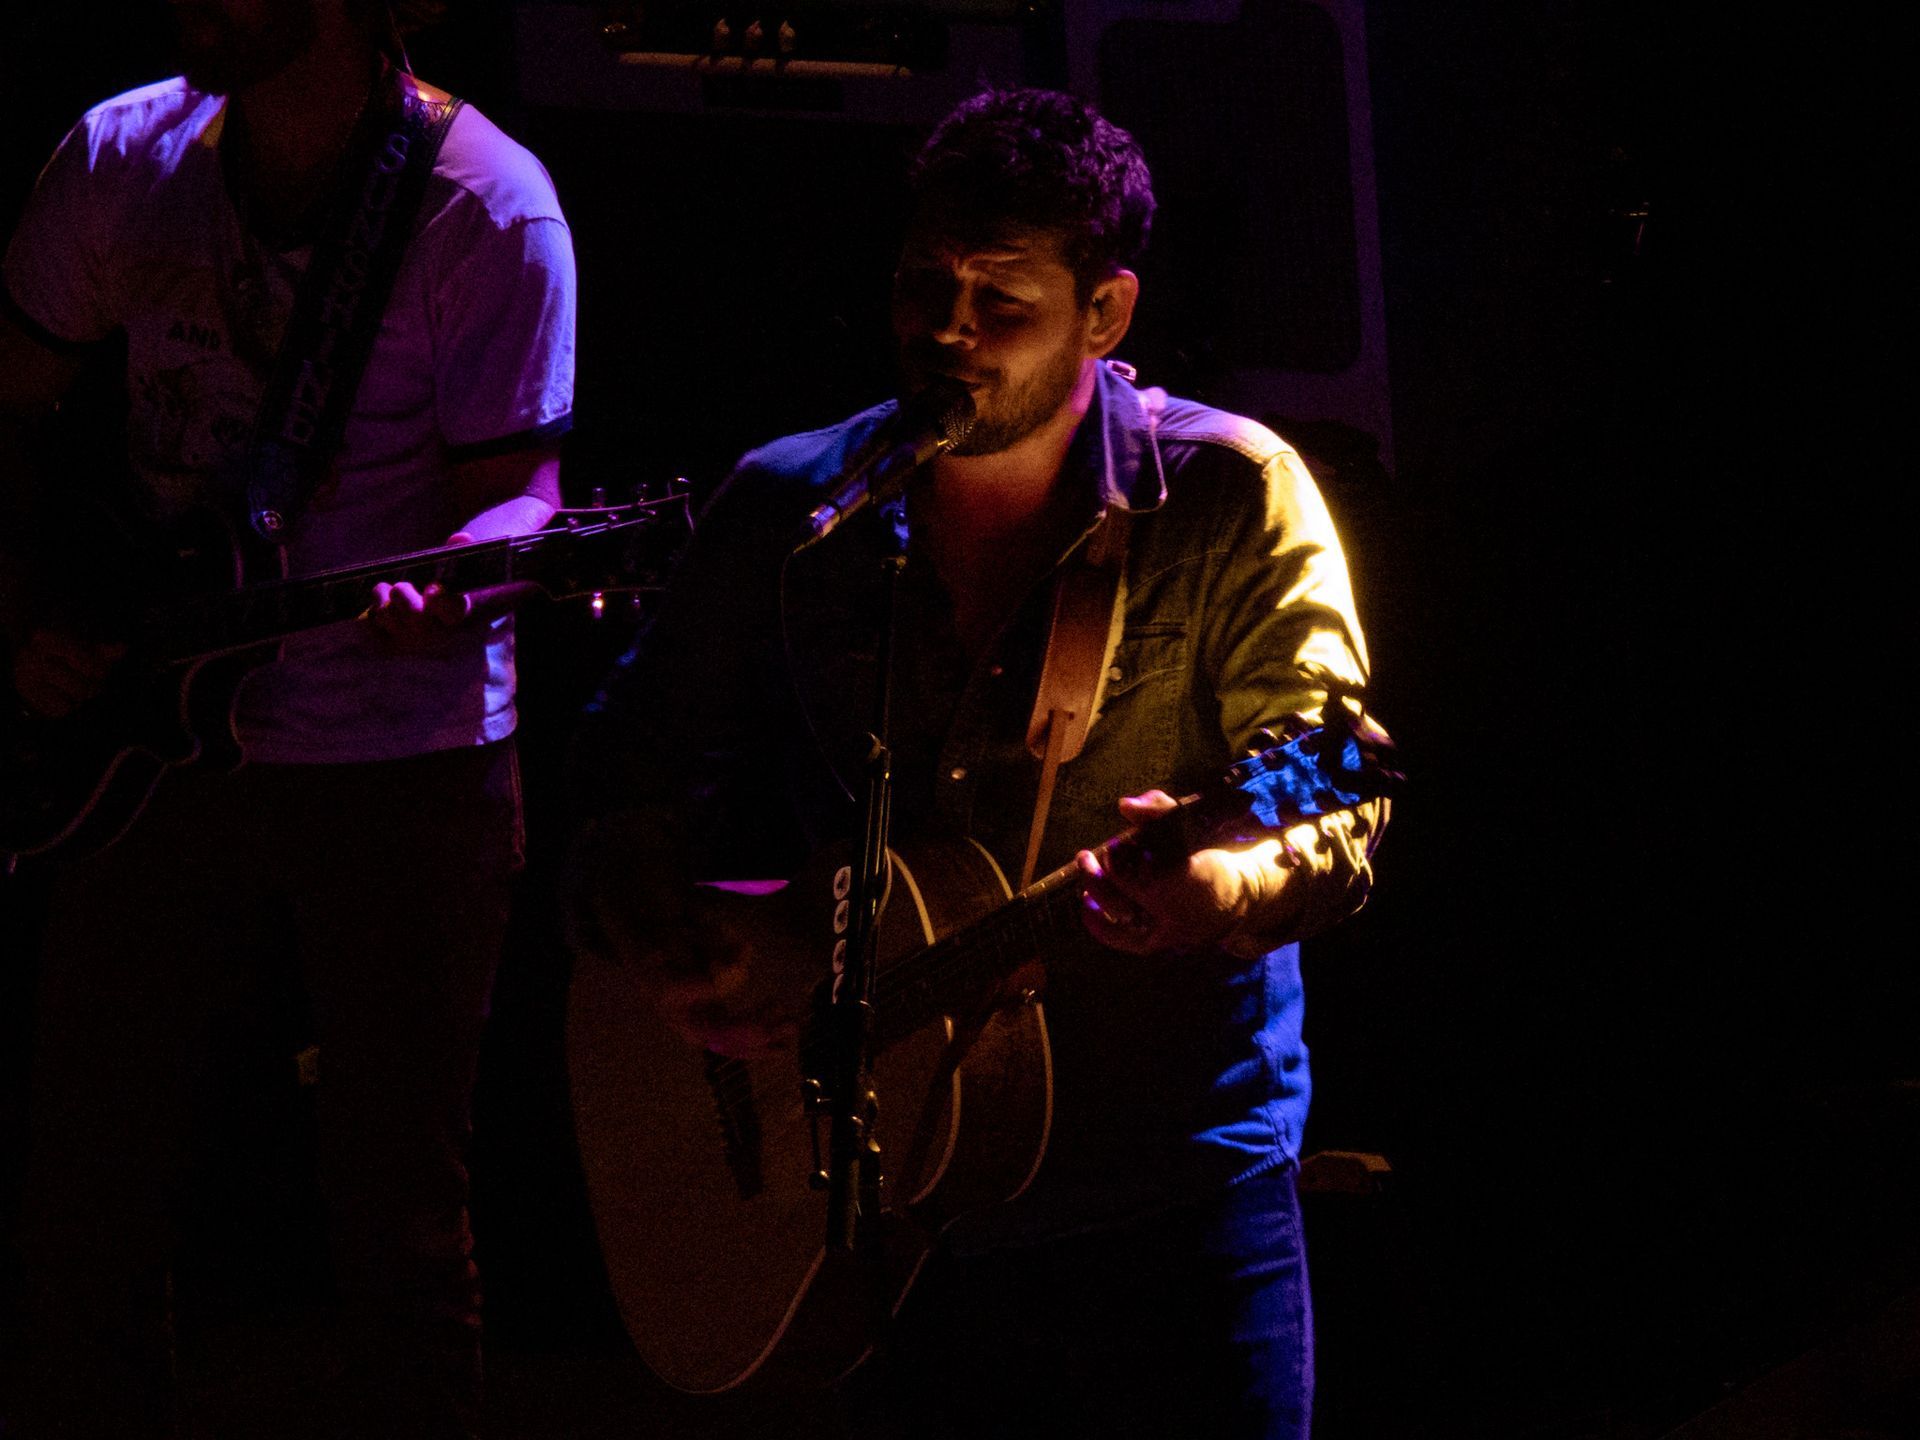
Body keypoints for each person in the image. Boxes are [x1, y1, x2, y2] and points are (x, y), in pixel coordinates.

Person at [567, 88, 1382, 1439]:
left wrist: (1214, 893)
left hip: (1166, 1182)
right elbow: (619, 780)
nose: (945, 331)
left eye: (999, 303)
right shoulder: (795, 508)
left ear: (1105, 316)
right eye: (922, 287)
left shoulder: (1230, 495)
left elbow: (1327, 806)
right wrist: (683, 941)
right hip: (880, 1222)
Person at [0, 1, 574, 1435]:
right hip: (153, 741)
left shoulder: (486, 208)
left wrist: (460, 577)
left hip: (406, 761)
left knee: (399, 1217)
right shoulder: (122, 152)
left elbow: (528, 494)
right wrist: (25, 617)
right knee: (89, 1181)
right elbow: (9, 408)